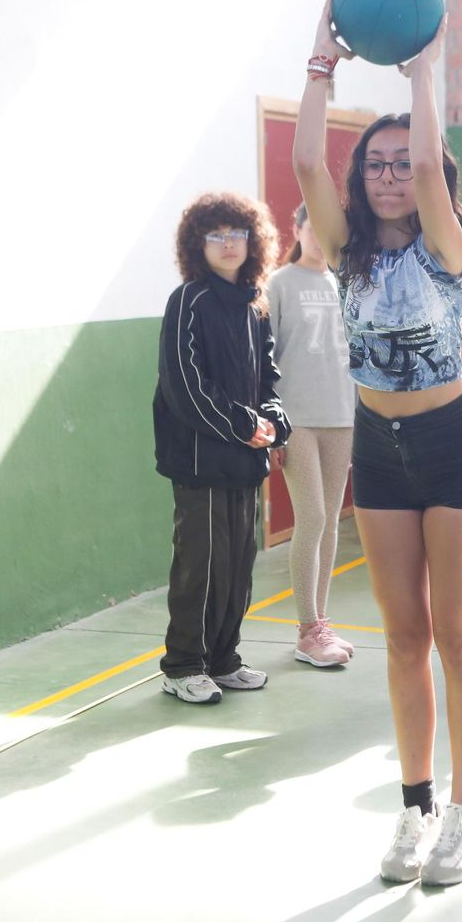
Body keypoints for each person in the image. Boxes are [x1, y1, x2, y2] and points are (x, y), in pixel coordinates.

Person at [293, 0, 462, 887]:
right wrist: (318, 67)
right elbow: (305, 158)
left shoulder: (444, 247)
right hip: (380, 452)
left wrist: (421, 69)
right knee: (403, 637)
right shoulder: (345, 254)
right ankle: (414, 812)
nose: (388, 174)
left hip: (454, 448)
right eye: (372, 164)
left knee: (459, 635)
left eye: (400, 163)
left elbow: (424, 161)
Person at [153, 192, 293, 704]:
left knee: (238, 562)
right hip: (200, 461)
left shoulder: (255, 303)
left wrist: (274, 420)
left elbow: (268, 377)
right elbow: (185, 385)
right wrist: (243, 424)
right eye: (217, 235)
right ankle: (183, 664)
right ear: (198, 243)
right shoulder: (189, 300)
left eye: (238, 233)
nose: (229, 243)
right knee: (201, 564)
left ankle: (222, 658)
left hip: (244, 458)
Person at [266, 203, 358, 668]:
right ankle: (307, 630)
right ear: (297, 229)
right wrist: (273, 428)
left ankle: (320, 620)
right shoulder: (279, 284)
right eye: (312, 229)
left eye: (329, 232)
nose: (321, 239)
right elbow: (265, 359)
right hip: (296, 419)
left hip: (340, 416)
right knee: (314, 518)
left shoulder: (345, 284)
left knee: (331, 522)